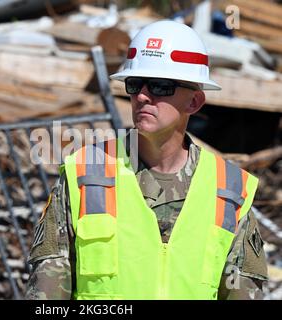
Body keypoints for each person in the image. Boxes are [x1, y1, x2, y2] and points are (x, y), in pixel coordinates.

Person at [25, 20, 268, 300]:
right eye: (135, 83)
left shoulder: (231, 191)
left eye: (160, 86)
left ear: (194, 102)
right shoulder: (84, 175)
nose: (142, 95)